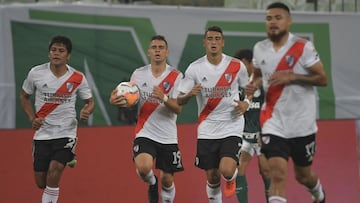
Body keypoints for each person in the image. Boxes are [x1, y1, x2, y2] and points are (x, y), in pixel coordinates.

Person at [247, 2, 328, 203]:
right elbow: (257, 75)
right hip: (273, 122)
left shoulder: (303, 48)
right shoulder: (259, 48)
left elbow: (322, 79)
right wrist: (254, 84)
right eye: (269, 19)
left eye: (278, 18)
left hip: (302, 125)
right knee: (277, 175)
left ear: (288, 21)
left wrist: (293, 76)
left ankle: (317, 192)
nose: (273, 22)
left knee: (303, 176)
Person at [177, 26, 250, 203]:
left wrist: (246, 103)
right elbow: (179, 100)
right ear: (204, 43)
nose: (214, 42)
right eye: (210, 38)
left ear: (223, 42)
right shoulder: (195, 69)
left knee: (225, 170)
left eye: (217, 38)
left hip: (232, 123)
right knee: (212, 176)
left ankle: (231, 178)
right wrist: (188, 95)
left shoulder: (236, 66)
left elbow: (249, 89)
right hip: (207, 127)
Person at [109, 35, 184, 203]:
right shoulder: (139, 73)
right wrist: (114, 99)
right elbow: (128, 96)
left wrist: (163, 98)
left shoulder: (176, 76)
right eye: (154, 47)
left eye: (161, 47)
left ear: (167, 52)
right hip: (145, 132)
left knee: (168, 180)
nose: (157, 50)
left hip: (168, 135)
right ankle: (151, 181)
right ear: (149, 51)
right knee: (143, 168)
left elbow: (178, 108)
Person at [19, 35, 95, 203]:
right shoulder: (36, 73)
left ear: (68, 56)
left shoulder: (77, 77)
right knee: (41, 182)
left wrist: (86, 110)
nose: (56, 54)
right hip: (43, 134)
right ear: (48, 53)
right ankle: (68, 158)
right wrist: (32, 118)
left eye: (61, 51)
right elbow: (24, 97)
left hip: (66, 131)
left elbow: (90, 102)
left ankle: (65, 157)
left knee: (55, 169)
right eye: (53, 50)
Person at [232, 49, 271, 203]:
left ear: (248, 63)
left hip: (262, 135)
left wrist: (266, 131)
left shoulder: (263, 83)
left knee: (266, 171)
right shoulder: (236, 84)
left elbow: (271, 107)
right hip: (244, 135)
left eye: (241, 64)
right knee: (239, 170)